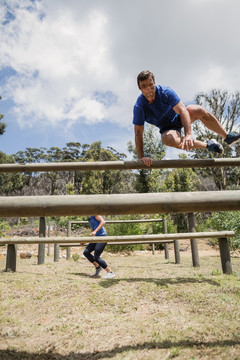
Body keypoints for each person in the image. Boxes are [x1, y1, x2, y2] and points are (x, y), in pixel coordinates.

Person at [133, 70, 240, 166]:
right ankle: (208, 145)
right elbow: (138, 132)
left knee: (197, 110)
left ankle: (227, 136)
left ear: (154, 83)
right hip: (167, 129)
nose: (148, 89)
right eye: (144, 86)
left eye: (151, 85)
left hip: (179, 117)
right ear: (139, 88)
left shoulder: (165, 92)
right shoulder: (139, 106)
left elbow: (183, 110)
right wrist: (142, 157)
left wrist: (188, 134)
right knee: (168, 140)